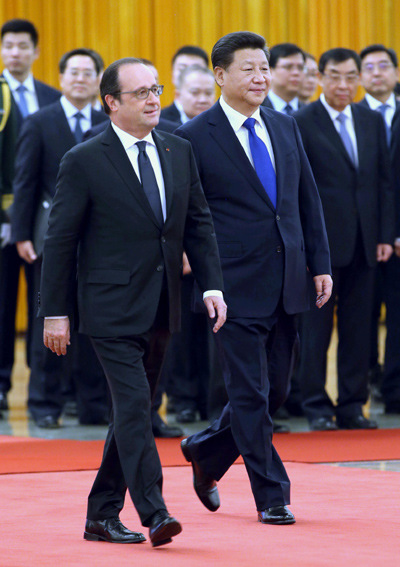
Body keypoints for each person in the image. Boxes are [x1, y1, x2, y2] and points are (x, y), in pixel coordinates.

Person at [38, 57, 226, 546]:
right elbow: (60, 242)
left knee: (131, 412)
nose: (152, 100)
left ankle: (101, 513)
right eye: (140, 92)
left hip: (163, 303)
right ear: (111, 103)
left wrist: (211, 285)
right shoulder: (83, 159)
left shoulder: (177, 149)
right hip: (108, 308)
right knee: (138, 406)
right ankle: (155, 510)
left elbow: (199, 224)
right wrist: (54, 312)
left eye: (156, 90)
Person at [175, 31, 332, 525]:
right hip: (231, 286)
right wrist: (200, 274)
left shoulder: (285, 127)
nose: (261, 77)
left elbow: (307, 199)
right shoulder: (194, 136)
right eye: (249, 69)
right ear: (220, 75)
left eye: (264, 68)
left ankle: (206, 451)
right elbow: (187, 215)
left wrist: (320, 263)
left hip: (288, 280)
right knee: (248, 395)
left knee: (277, 393)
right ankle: (272, 494)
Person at [295, 48, 395, 431]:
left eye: (351, 77)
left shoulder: (370, 120)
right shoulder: (302, 121)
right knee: (316, 331)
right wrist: (306, 244)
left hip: (366, 242)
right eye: (335, 76)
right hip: (320, 246)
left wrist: (384, 234)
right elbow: (300, 189)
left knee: (359, 328)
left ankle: (353, 404)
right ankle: (316, 405)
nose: (343, 85)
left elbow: (382, 182)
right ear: (319, 77)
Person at [11, 48, 109, 428]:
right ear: (61, 77)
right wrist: (21, 233)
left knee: (90, 321)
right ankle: (44, 403)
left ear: (100, 79)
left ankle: (92, 404)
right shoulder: (39, 121)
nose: (81, 79)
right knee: (48, 316)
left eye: (89, 72)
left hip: (97, 238)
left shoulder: (107, 121)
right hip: (49, 234)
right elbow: (26, 182)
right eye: (74, 72)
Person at [0, 18, 60, 412]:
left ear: (37, 51)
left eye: (24, 46)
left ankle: (46, 390)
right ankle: (1, 384)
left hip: (45, 226)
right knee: (3, 306)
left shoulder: (52, 97)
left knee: (46, 306)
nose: (16, 53)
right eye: (9, 46)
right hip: (2, 220)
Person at [359, 44, 400, 414]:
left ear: (396, 73)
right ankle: (364, 380)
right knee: (363, 315)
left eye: (383, 66)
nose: (376, 73)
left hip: (398, 238)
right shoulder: (353, 116)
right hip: (361, 239)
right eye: (368, 67)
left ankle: (394, 389)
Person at [161, 45, 209, 124]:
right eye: (182, 69)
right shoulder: (159, 121)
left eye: (196, 69)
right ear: (172, 74)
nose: (189, 75)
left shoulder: (221, 121)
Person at [261, 42, 305, 114]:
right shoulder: (257, 109)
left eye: (300, 67)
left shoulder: (309, 112)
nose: (296, 72)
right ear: (270, 71)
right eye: (288, 67)